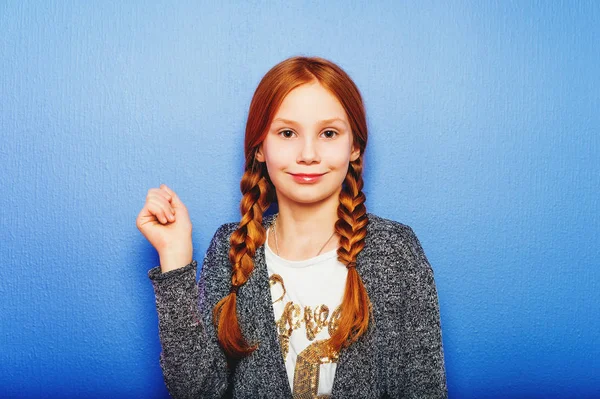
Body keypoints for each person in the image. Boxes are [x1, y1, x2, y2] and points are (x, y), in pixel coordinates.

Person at [136, 56, 448, 398]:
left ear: (354, 146)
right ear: (260, 147)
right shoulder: (231, 248)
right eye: (287, 133)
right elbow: (196, 391)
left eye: (329, 133)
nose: (308, 154)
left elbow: (424, 387)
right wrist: (175, 258)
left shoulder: (395, 250)